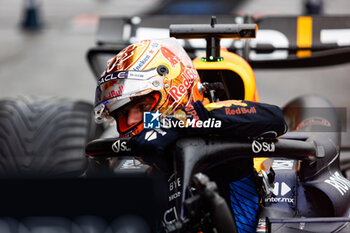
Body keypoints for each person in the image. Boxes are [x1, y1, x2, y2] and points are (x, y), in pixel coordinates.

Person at [94, 38, 287, 233]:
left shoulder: (217, 126)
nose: (128, 123)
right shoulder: (136, 171)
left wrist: (177, 122)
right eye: (121, 114)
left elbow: (276, 118)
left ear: (174, 93)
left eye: (142, 106)